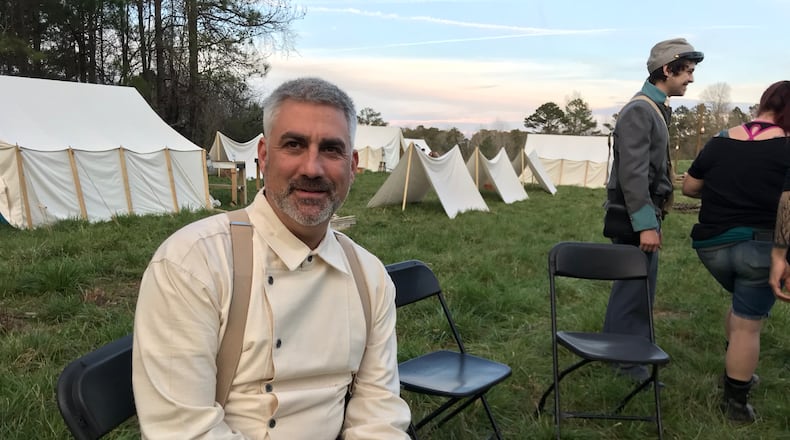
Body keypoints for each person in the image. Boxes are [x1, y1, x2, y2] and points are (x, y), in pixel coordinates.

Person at [132, 77, 412, 439]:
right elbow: (184, 431)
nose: (312, 168)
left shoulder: (369, 277)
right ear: (264, 156)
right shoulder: (193, 263)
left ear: (352, 165)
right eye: (294, 145)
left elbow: (379, 416)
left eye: (331, 150)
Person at [683, 80, 790, 422]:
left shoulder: (720, 141)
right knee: (748, 324)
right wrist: (780, 257)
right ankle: (735, 406)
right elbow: (788, 205)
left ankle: (736, 366)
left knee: (740, 306)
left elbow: (689, 186)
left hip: (711, 247)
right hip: (758, 249)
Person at [603, 38, 703, 381]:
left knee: (636, 286)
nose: (690, 78)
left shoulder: (655, 108)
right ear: (666, 70)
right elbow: (632, 174)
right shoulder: (640, 110)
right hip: (633, 218)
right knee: (634, 288)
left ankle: (623, 354)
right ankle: (626, 362)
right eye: (686, 71)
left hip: (643, 215)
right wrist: (646, 223)